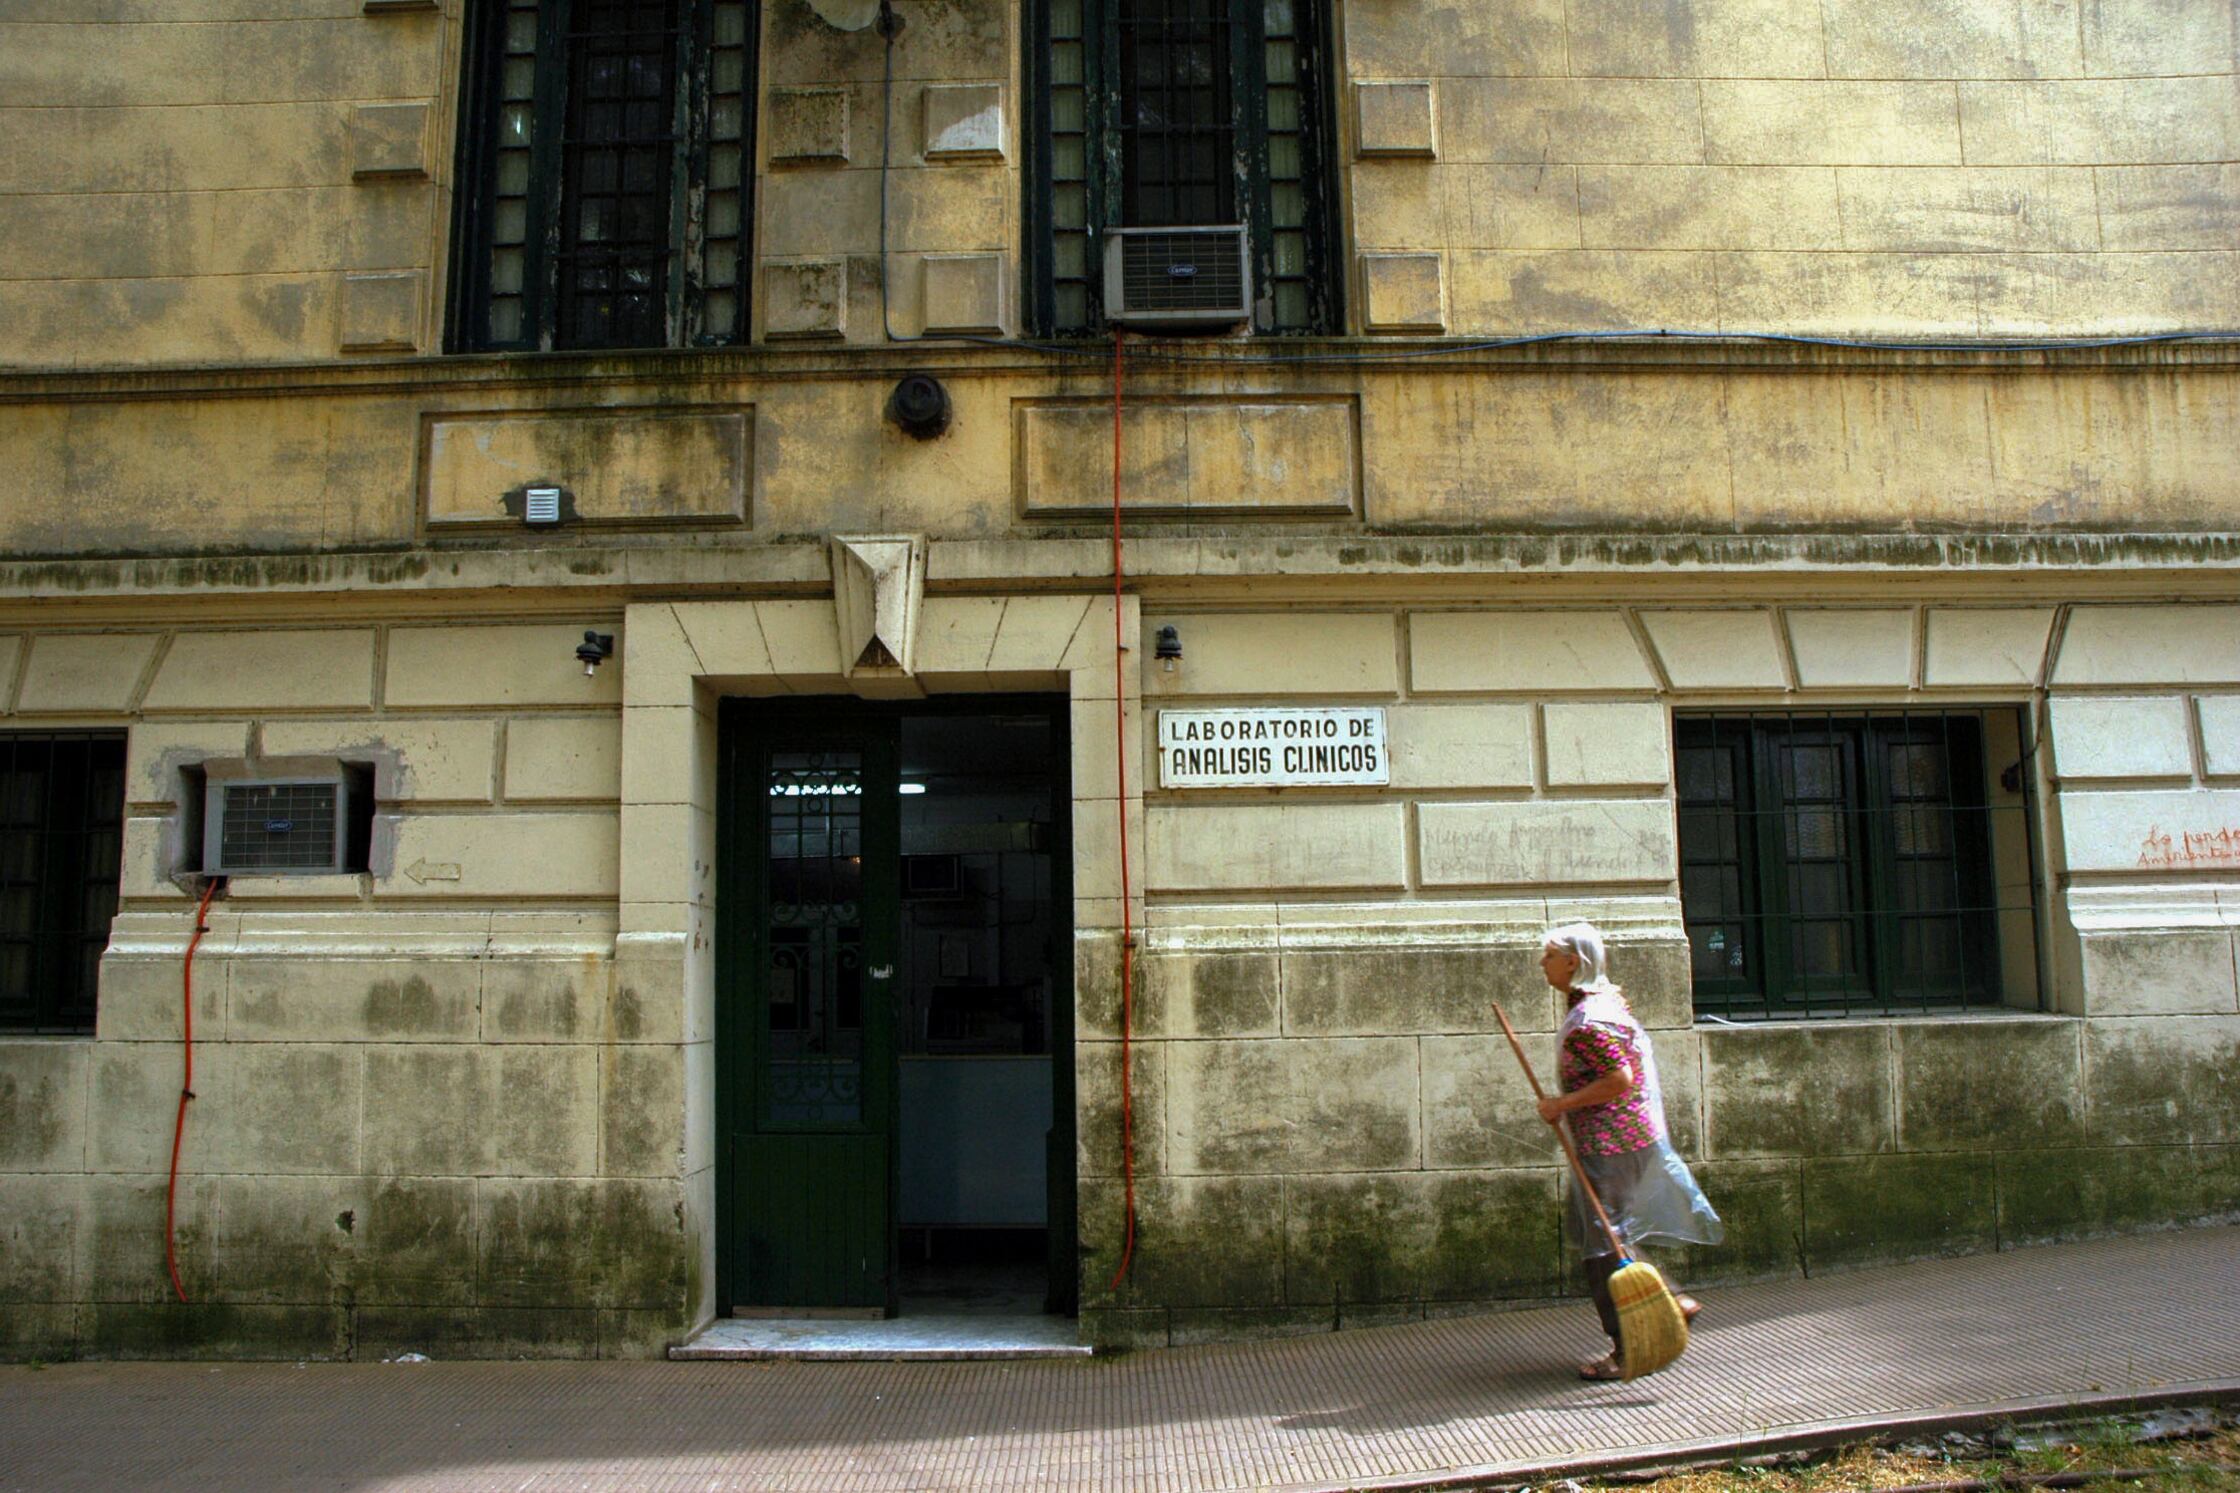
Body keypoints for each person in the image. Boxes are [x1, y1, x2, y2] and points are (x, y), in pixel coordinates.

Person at [1533, 921, 1723, 1381]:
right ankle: (1674, 1300)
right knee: (1605, 1232)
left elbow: (1619, 1079)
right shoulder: (1602, 1005)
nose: (1544, 963)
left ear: (1573, 961)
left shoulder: (1589, 1022)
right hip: (1625, 1140)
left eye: (1550, 955)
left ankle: (1627, 1345)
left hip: (1610, 1143)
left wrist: (1562, 1104)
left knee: (1602, 1247)